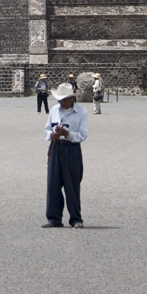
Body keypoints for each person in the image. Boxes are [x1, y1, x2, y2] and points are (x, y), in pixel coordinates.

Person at [43, 83, 88, 229]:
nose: (60, 102)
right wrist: (52, 135)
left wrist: (67, 134)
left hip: (72, 149)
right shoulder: (54, 110)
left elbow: (82, 135)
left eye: (63, 99)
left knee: (72, 185)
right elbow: (46, 130)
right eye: (59, 99)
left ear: (71, 99)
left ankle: (76, 218)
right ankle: (54, 218)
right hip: (56, 148)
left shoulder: (82, 112)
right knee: (53, 184)